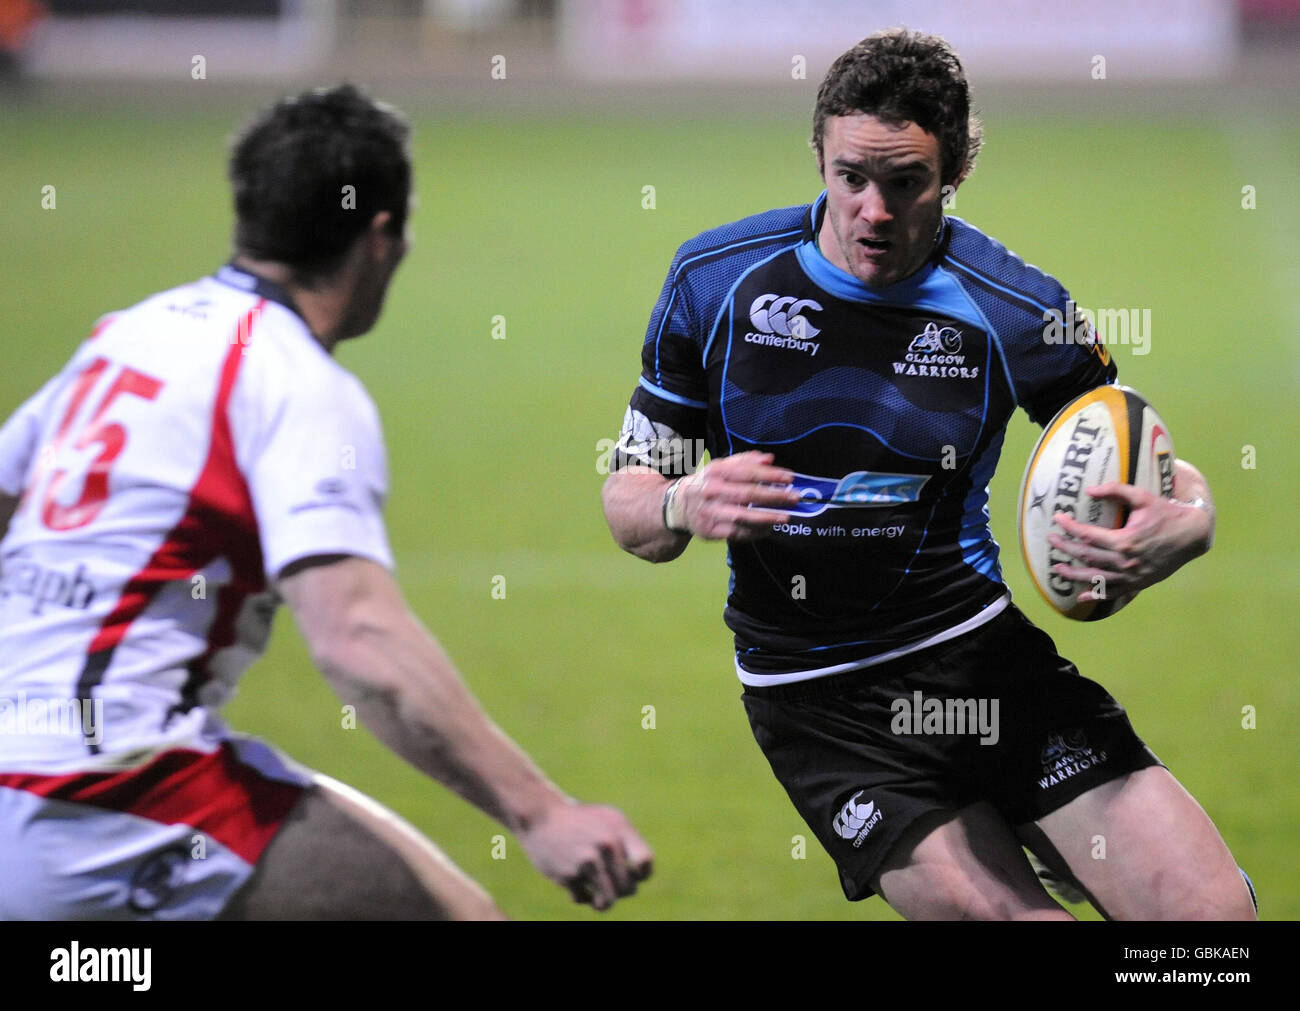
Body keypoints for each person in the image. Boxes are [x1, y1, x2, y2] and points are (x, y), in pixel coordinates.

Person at [601, 29, 1253, 921]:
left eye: (905, 183)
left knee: (1211, 927)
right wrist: (679, 497)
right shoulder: (716, 282)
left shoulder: (1018, 311)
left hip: (982, 661)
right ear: (820, 157)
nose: (873, 209)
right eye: (850, 177)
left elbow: (1144, 453)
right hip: (820, 702)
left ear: (952, 176)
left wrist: (1195, 518)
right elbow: (629, 501)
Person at [0, 84, 652, 920]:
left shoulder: (125, 334)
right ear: (380, 238)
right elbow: (357, 637)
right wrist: (542, 812)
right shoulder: (296, 381)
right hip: (112, 789)